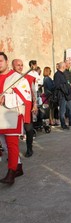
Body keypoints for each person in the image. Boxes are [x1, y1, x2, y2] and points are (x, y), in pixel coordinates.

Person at [0, 52, 31, 184]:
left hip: (11, 113)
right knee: (5, 144)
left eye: (0, 60)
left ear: (7, 62)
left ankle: (11, 172)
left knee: (12, 144)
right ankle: (18, 167)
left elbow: (26, 97)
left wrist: (6, 97)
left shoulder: (17, 78)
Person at [12, 59, 37, 158]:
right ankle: (13, 152)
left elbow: (33, 93)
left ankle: (29, 148)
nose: (20, 67)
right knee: (13, 133)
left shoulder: (28, 78)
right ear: (13, 66)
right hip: (13, 107)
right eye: (18, 65)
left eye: (21, 65)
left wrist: (35, 104)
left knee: (29, 129)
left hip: (26, 107)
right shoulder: (10, 79)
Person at [53, 62, 71, 129]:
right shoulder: (57, 74)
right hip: (61, 95)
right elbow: (57, 85)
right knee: (62, 110)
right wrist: (64, 87)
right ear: (63, 67)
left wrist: (68, 85)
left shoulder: (63, 74)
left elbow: (65, 82)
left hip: (66, 94)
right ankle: (63, 124)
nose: (66, 66)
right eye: (65, 65)